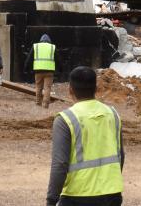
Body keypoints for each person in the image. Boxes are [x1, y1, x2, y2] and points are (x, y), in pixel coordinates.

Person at [46, 66, 124, 206]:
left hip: (77, 195)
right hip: (112, 194)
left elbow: (60, 164)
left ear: (70, 90)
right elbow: (120, 155)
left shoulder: (66, 119)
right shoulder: (113, 114)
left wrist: (51, 200)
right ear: (96, 88)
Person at [32, 34, 56, 108]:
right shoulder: (52, 47)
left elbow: (29, 57)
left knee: (38, 87)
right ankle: (45, 105)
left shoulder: (36, 46)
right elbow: (58, 59)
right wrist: (61, 69)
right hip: (49, 71)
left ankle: (38, 103)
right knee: (47, 88)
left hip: (38, 70)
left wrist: (26, 68)